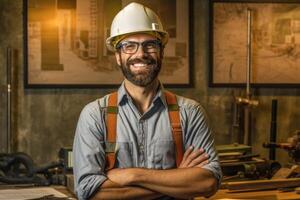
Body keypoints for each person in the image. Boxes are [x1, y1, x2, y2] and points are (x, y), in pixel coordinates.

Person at [73, 2, 222, 200]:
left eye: (150, 44)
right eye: (129, 46)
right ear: (118, 56)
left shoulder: (190, 112)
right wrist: (178, 179)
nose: (140, 54)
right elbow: (89, 191)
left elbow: (207, 182)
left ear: (161, 52)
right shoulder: (94, 115)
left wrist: (132, 175)